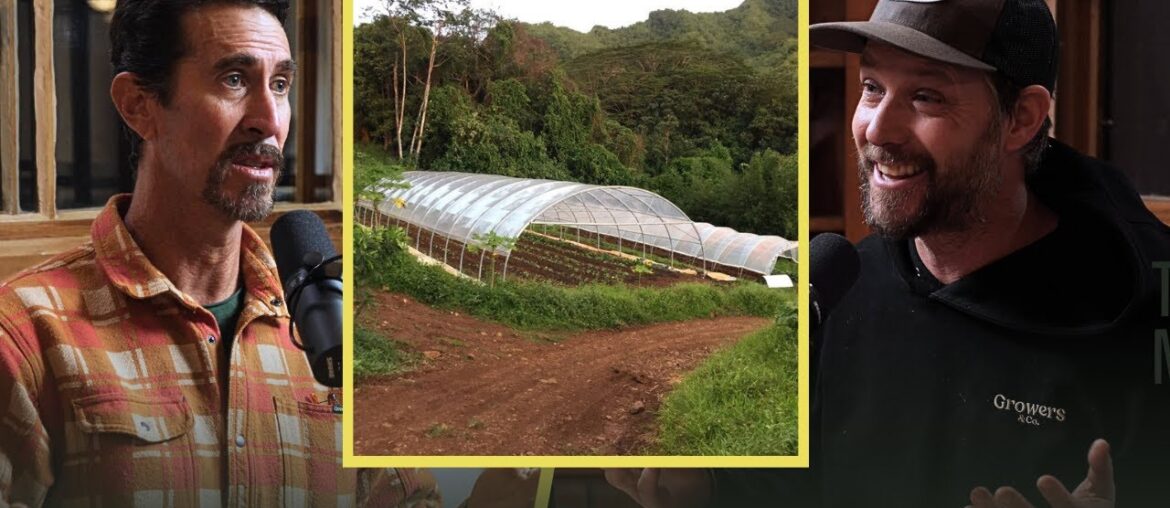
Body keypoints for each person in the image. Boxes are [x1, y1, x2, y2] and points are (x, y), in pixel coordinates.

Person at [607, 1, 1170, 506]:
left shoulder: (1144, 314)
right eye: (872, 86)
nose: (877, 129)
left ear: (1020, 118)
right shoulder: (843, 286)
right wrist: (709, 489)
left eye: (926, 96)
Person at [0, 1, 439, 506]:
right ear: (138, 105)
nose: (269, 120)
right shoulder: (25, 335)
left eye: (280, 84)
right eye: (234, 80)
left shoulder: (326, 323)